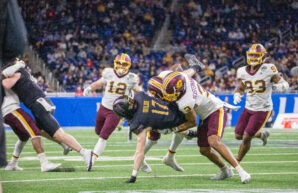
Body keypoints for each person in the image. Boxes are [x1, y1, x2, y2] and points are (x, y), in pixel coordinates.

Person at [2, 60, 93, 171]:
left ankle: (84, 152)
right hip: (39, 103)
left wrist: (15, 68)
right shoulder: (22, 73)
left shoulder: (18, 72)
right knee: (40, 131)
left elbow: (5, 83)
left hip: (39, 104)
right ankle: (64, 145)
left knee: (58, 134)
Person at [161, 71, 251, 183]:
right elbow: (187, 71)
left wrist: (172, 129)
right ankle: (225, 170)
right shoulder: (183, 77)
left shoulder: (186, 101)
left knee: (214, 141)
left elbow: (192, 122)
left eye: (172, 95)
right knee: (204, 149)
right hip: (205, 114)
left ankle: (241, 171)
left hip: (215, 110)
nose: (170, 98)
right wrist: (195, 67)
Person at [112, 92, 197, 183]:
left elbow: (139, 151)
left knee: (164, 130)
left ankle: (189, 133)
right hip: (172, 106)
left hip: (171, 121)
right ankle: (189, 134)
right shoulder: (139, 96)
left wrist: (133, 175)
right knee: (159, 131)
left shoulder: (139, 121)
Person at [233, 43, 289, 163]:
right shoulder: (242, 71)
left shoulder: (268, 68)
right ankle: (261, 135)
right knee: (238, 135)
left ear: (263, 56)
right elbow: (241, 87)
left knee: (247, 137)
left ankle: (236, 163)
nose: (253, 58)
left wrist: (282, 86)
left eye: (256, 55)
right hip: (248, 107)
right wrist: (238, 94)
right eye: (251, 55)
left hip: (262, 109)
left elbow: (282, 82)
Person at [83, 53, 141, 164]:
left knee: (103, 136)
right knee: (98, 131)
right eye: (119, 63)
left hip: (116, 111)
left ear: (128, 65)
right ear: (115, 63)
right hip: (104, 107)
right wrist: (90, 88)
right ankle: (120, 123)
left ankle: (93, 158)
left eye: (124, 64)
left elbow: (138, 90)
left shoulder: (131, 78)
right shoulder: (108, 72)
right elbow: (100, 83)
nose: (121, 66)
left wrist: (149, 96)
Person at [141, 76, 197, 173]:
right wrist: (187, 132)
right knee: (153, 139)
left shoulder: (167, 88)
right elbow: (164, 125)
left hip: (167, 110)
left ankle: (170, 156)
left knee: (180, 125)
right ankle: (139, 157)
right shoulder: (153, 101)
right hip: (156, 116)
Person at [2, 88, 61, 172]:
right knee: (35, 132)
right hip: (11, 109)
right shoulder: (7, 77)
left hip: (7, 111)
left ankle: (13, 163)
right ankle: (44, 163)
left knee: (24, 137)